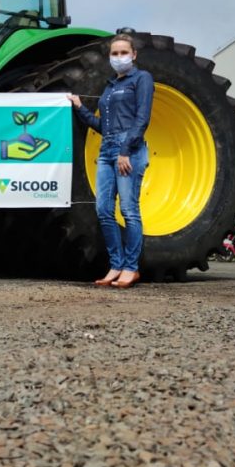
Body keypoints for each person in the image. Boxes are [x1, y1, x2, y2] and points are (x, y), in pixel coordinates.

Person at [67, 32, 154, 289]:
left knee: (129, 210)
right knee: (103, 210)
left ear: (133, 54)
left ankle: (131, 268)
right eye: (114, 53)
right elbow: (102, 126)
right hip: (106, 151)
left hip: (129, 149)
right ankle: (116, 265)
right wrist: (80, 107)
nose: (119, 57)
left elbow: (142, 119)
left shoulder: (142, 78)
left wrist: (125, 151)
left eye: (124, 52)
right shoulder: (110, 86)